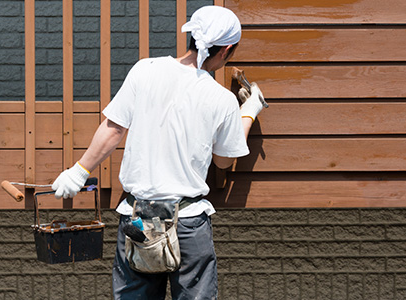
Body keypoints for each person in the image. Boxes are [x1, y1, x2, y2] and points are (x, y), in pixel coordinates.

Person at [51, 5, 265, 299]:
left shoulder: (145, 70)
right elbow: (224, 160)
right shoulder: (221, 99)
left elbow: (113, 129)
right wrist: (248, 113)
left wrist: (79, 170)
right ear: (227, 50)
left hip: (137, 219)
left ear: (190, 36)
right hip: (188, 224)